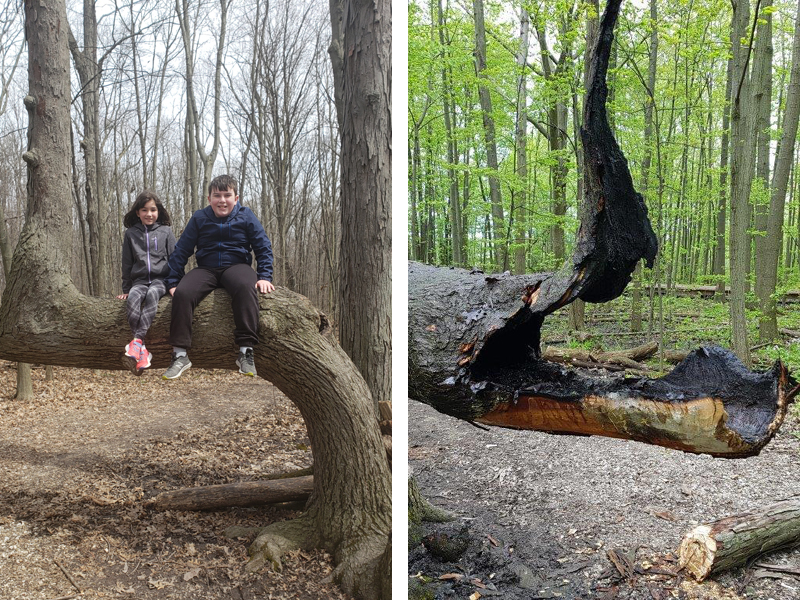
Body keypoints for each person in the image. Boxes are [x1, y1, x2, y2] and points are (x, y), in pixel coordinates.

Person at [162, 174, 274, 380]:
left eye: (227, 195)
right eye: (217, 195)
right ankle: (180, 355)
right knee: (183, 293)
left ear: (236, 198)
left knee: (245, 287)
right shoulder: (199, 218)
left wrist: (265, 275)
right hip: (206, 269)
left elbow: (263, 247)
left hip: (237, 266)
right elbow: (182, 250)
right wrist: (173, 281)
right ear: (209, 199)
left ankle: (245, 351)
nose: (222, 200)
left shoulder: (246, 216)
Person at [117, 190, 176, 374]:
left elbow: (175, 259)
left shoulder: (165, 232)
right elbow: (127, 264)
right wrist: (126, 288)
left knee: (152, 295)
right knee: (133, 300)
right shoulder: (131, 234)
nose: (149, 214)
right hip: (139, 281)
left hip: (161, 280)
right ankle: (142, 351)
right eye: (144, 210)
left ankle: (137, 342)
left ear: (158, 211)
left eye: (153, 210)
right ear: (137, 212)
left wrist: (174, 283)